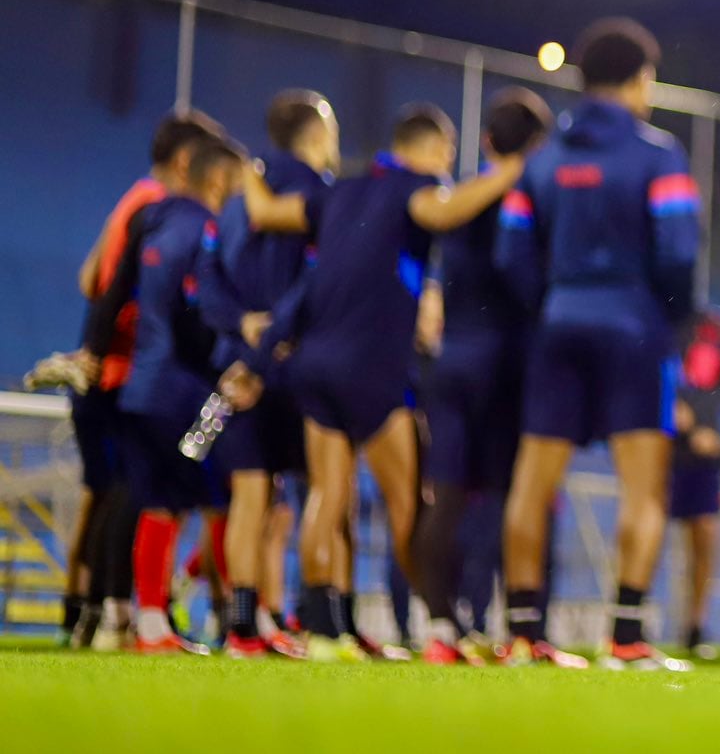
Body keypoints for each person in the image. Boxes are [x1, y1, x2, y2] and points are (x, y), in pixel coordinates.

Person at [239, 103, 524, 662]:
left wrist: (249, 173)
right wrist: (510, 173)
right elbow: (442, 213)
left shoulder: (339, 190)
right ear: (439, 150)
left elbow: (268, 213)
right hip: (371, 366)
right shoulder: (416, 187)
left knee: (327, 494)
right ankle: (443, 625)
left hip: (314, 361)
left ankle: (323, 631)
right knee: (408, 505)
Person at [497, 18, 699, 672]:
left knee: (531, 485)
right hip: (634, 325)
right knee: (643, 487)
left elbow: (511, 255)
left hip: (559, 321)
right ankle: (627, 640)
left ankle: (525, 637)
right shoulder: (659, 153)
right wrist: (668, 319)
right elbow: (677, 252)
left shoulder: (543, 159)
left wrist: (552, 303)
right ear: (641, 79)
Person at [63, 111, 226, 650]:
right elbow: (194, 307)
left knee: (129, 492)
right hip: (168, 383)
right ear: (195, 165)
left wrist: (93, 348)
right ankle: (240, 619)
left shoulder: (138, 208)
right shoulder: (179, 215)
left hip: (133, 376)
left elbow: (95, 281)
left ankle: (113, 614)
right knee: (209, 493)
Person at [196, 89, 337, 659]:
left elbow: (206, 282)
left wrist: (241, 334)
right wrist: (268, 347)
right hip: (289, 368)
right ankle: (323, 623)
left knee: (252, 497)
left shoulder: (233, 200)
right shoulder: (318, 196)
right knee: (326, 493)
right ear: (319, 131)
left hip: (232, 368)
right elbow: (314, 286)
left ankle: (242, 629)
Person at [412, 88, 551, 665]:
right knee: (508, 501)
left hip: (453, 360)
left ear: (488, 141)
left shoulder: (462, 196)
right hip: (509, 365)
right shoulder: (535, 197)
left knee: (443, 500)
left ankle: (441, 630)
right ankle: (518, 630)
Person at [669, 305, 720, 660]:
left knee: (705, 539)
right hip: (667, 450)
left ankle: (695, 626)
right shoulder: (669, 323)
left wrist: (708, 427)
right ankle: (630, 621)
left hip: (708, 453)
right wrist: (677, 413)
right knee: (650, 529)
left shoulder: (719, 329)